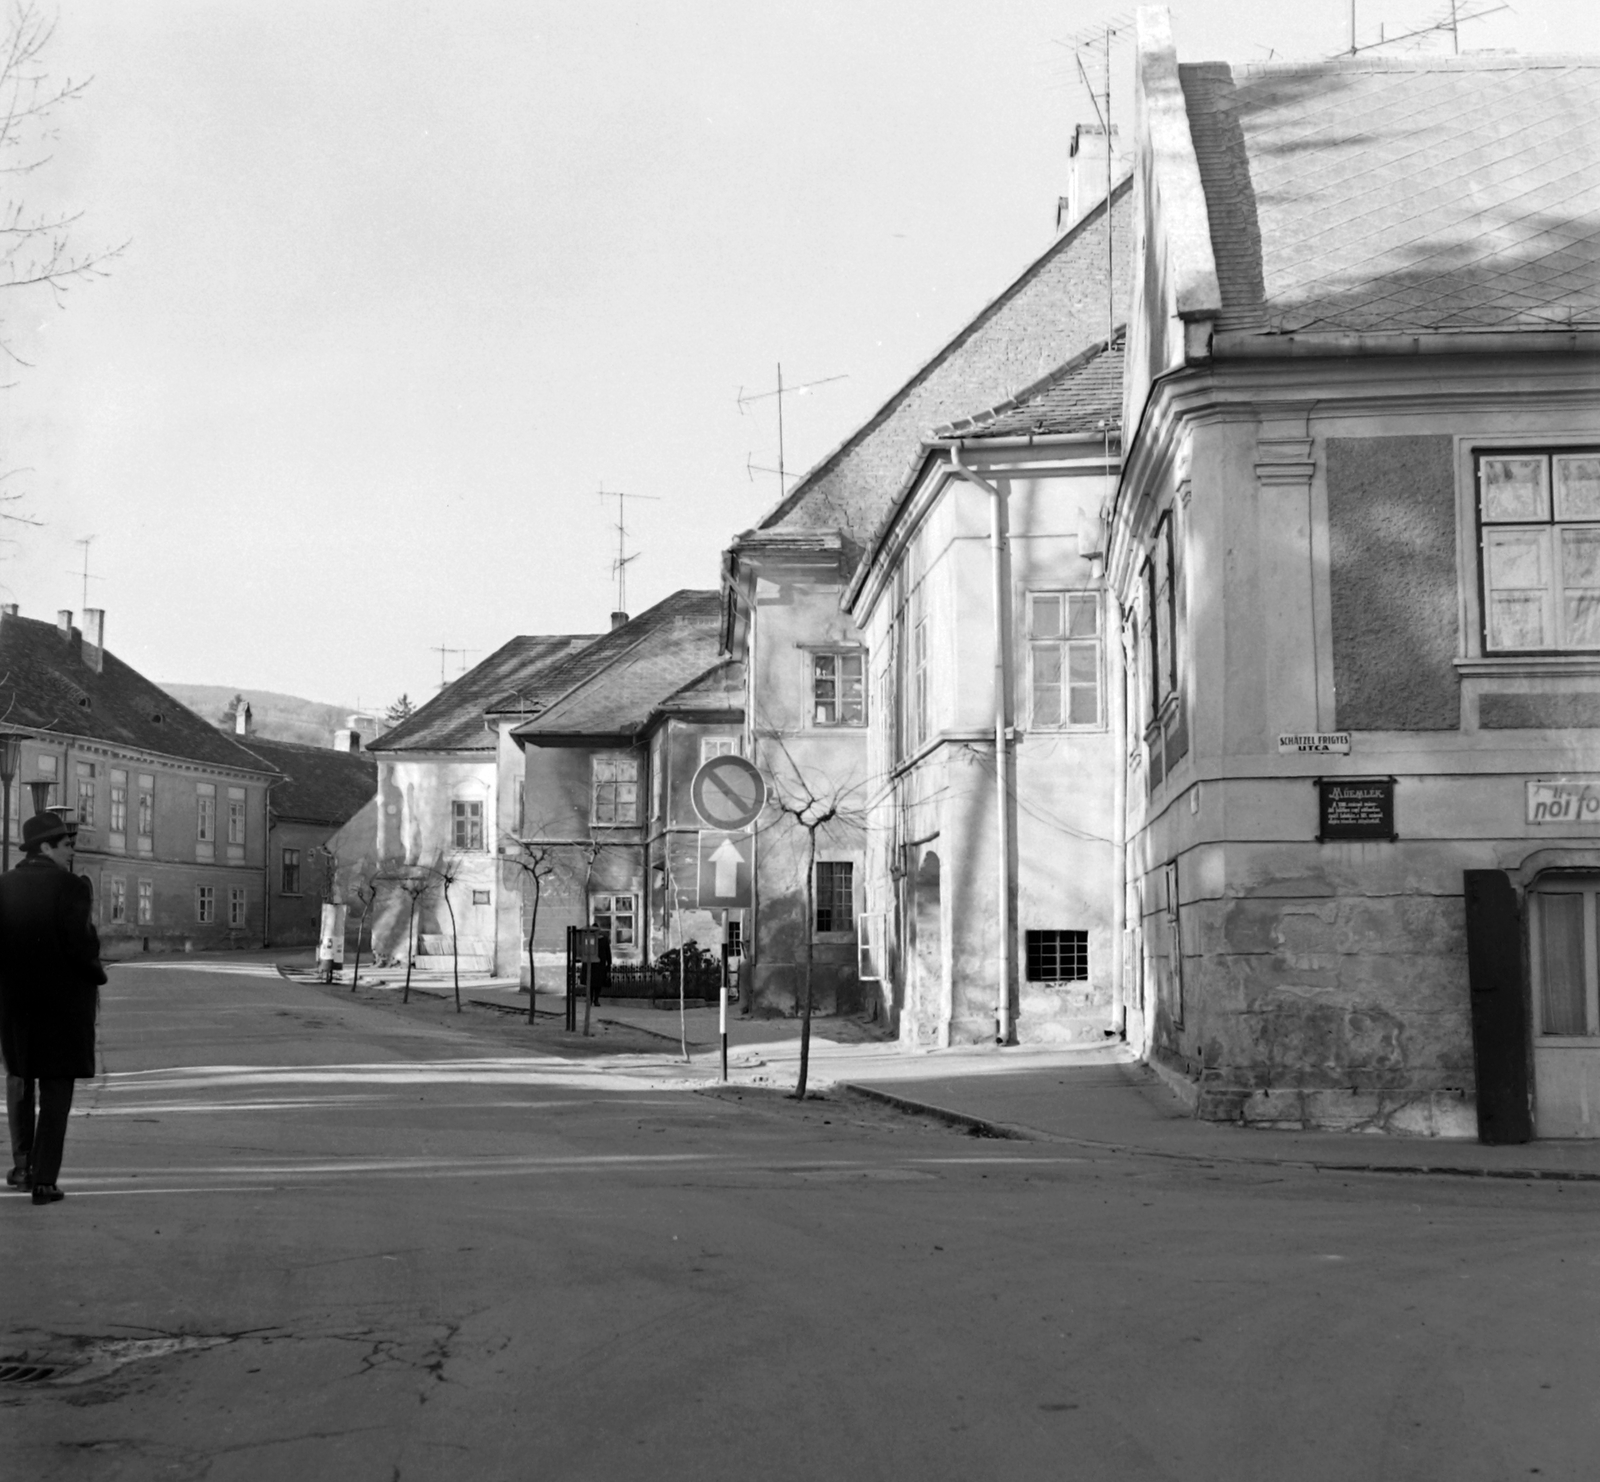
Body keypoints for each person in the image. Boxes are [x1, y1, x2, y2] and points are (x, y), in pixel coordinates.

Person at [0, 811, 105, 1205]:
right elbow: (82, 946)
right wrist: (95, 973)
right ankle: (45, 1180)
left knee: (19, 1079)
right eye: (66, 844)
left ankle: (22, 1166)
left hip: (14, 1004)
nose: (71, 851)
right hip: (63, 1006)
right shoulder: (72, 887)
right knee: (57, 1087)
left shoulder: (3, 886)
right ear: (45, 847)